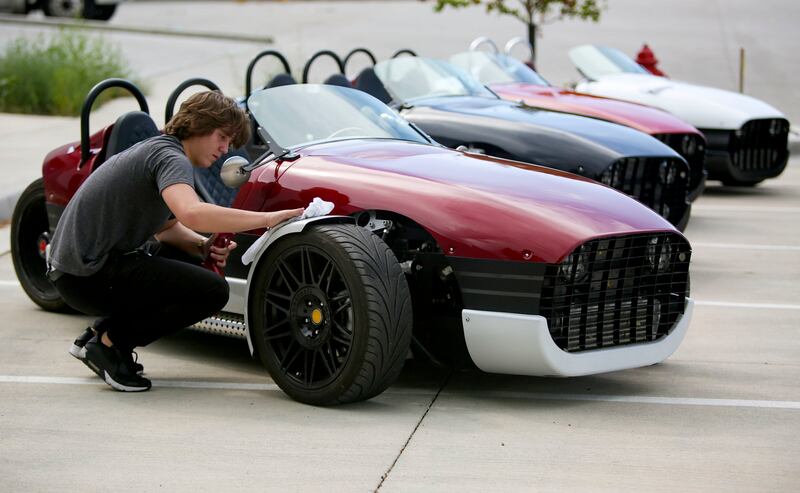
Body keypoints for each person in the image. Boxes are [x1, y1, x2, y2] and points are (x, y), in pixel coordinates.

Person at [47, 91, 304, 392]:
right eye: (222, 137)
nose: (224, 149)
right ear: (198, 124)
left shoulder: (160, 151)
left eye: (229, 143)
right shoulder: (171, 158)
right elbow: (191, 213)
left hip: (78, 271)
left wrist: (204, 247)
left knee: (186, 259)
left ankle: (96, 333)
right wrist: (266, 219)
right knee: (211, 291)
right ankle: (110, 344)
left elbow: (168, 229)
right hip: (86, 275)